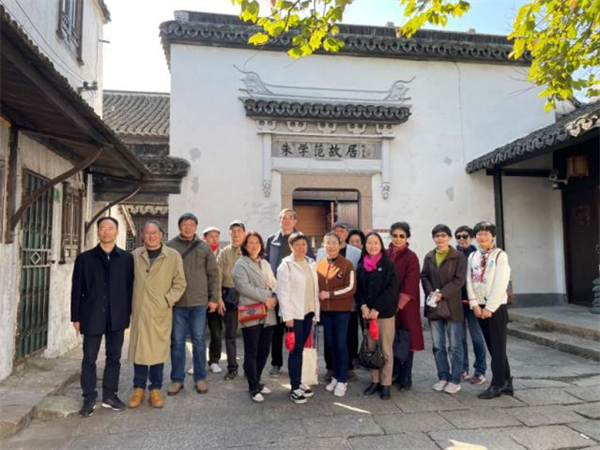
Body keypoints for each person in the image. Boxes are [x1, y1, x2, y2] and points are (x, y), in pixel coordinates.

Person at [71, 217, 134, 417]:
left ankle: (109, 395)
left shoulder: (126, 258)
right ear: (98, 232)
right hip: (91, 314)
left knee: (114, 357)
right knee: (89, 358)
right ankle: (89, 397)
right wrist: (76, 317)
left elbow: (130, 287)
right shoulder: (85, 258)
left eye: (110, 228)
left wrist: (129, 312)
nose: (106, 231)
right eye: (102, 228)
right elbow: (77, 289)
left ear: (117, 232)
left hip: (117, 315)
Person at [128, 220, 186, 409]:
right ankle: (138, 388)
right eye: (147, 232)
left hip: (160, 311)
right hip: (140, 310)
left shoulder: (172, 256)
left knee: (157, 351)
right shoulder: (135, 255)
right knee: (140, 351)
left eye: (155, 232)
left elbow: (180, 283)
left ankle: (155, 389)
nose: (151, 236)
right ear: (142, 235)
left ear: (161, 234)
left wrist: (167, 300)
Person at [166, 213, 220, 396]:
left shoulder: (204, 248)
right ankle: (176, 379)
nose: (188, 227)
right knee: (177, 342)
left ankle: (200, 378)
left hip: (199, 303)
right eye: (184, 224)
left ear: (196, 227)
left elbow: (213, 274)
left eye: (191, 224)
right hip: (177, 303)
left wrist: (214, 298)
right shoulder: (170, 246)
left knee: (198, 341)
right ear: (179, 226)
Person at [266, 208, 314, 378]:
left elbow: (310, 263)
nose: (286, 221)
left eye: (290, 218)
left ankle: (296, 364)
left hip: (297, 294)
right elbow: (267, 266)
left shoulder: (302, 239)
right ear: (279, 221)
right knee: (276, 330)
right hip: (277, 290)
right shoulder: (272, 240)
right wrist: (271, 291)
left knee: (295, 331)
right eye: (283, 218)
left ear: (295, 221)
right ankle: (276, 363)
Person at [467, 221, 512, 400]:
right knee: (493, 347)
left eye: (486, 233)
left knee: (498, 346)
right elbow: (469, 281)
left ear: (492, 236)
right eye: (479, 234)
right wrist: (474, 304)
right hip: (479, 307)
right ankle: (507, 381)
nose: (482, 237)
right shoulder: (473, 256)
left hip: (496, 307)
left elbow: (501, 283)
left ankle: (498, 383)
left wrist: (490, 308)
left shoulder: (500, 255)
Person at [232, 231, 278, 402]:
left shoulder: (265, 263)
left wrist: (275, 297)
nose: (254, 246)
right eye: (250, 242)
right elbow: (244, 288)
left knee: (264, 350)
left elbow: (274, 283)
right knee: (251, 351)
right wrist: (267, 297)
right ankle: (252, 387)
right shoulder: (240, 264)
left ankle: (257, 380)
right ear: (245, 245)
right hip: (251, 312)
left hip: (268, 312)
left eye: (257, 242)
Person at [421, 224, 466, 395]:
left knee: (455, 345)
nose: (440, 238)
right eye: (436, 236)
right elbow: (424, 276)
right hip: (434, 306)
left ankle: (455, 379)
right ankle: (443, 377)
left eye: (443, 235)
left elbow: (459, 280)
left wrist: (442, 294)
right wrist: (431, 292)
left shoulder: (458, 256)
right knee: (438, 345)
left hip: (452, 305)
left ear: (449, 237)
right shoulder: (429, 256)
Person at [276, 232, 320, 404]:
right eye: (297, 245)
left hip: (308, 312)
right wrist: (287, 317)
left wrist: (315, 313)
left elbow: (314, 289)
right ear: (291, 246)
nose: (301, 248)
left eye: (304, 244)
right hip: (294, 315)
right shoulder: (286, 266)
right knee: (295, 350)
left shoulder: (310, 263)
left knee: (300, 349)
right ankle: (294, 387)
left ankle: (299, 381)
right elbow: (282, 293)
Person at [356, 232, 399, 400]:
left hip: (384, 315)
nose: (372, 246)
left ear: (381, 245)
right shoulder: (361, 266)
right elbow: (358, 290)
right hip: (366, 315)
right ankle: (374, 381)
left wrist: (377, 308)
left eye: (376, 243)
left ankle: (385, 383)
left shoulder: (388, 264)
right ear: (365, 246)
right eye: (369, 243)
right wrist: (363, 306)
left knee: (386, 350)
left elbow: (392, 289)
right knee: (370, 349)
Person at [317, 222, 361, 381]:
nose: (331, 246)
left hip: (345, 308)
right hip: (326, 310)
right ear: (324, 245)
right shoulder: (321, 261)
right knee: (330, 342)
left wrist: (330, 294)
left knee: (344, 342)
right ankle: (333, 371)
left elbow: (352, 286)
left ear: (343, 239)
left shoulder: (350, 260)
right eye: (328, 243)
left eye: (341, 232)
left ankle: (344, 374)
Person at [387, 222, 424, 391]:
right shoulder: (385, 254)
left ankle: (406, 376)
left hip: (406, 307)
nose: (397, 239)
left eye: (401, 236)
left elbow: (411, 283)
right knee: (391, 339)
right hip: (387, 306)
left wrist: (397, 305)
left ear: (407, 237)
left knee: (406, 341)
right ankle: (394, 373)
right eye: (395, 235)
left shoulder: (411, 257)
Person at [455, 225, 487, 386]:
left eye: (465, 236)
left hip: (474, 303)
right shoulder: (453, 254)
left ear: (471, 238)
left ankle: (480, 370)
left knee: (477, 338)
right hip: (457, 303)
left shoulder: (478, 255)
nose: (462, 239)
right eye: (458, 236)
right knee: (459, 339)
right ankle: (463, 368)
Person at [216, 220, 247, 380]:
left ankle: (250, 367)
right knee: (230, 335)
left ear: (244, 233)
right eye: (233, 231)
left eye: (239, 230)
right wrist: (218, 298)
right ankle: (232, 367)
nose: (236, 234)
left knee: (250, 335)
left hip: (248, 296)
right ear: (229, 233)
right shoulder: (223, 253)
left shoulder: (249, 250)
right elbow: (217, 277)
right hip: (229, 295)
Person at [202, 226, 225, 375]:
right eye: (211, 236)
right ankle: (198, 362)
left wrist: (218, 298)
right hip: (199, 299)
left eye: (216, 236)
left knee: (216, 332)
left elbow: (223, 278)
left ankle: (214, 361)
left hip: (216, 300)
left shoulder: (222, 255)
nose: (214, 239)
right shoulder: (199, 253)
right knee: (198, 333)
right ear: (204, 239)